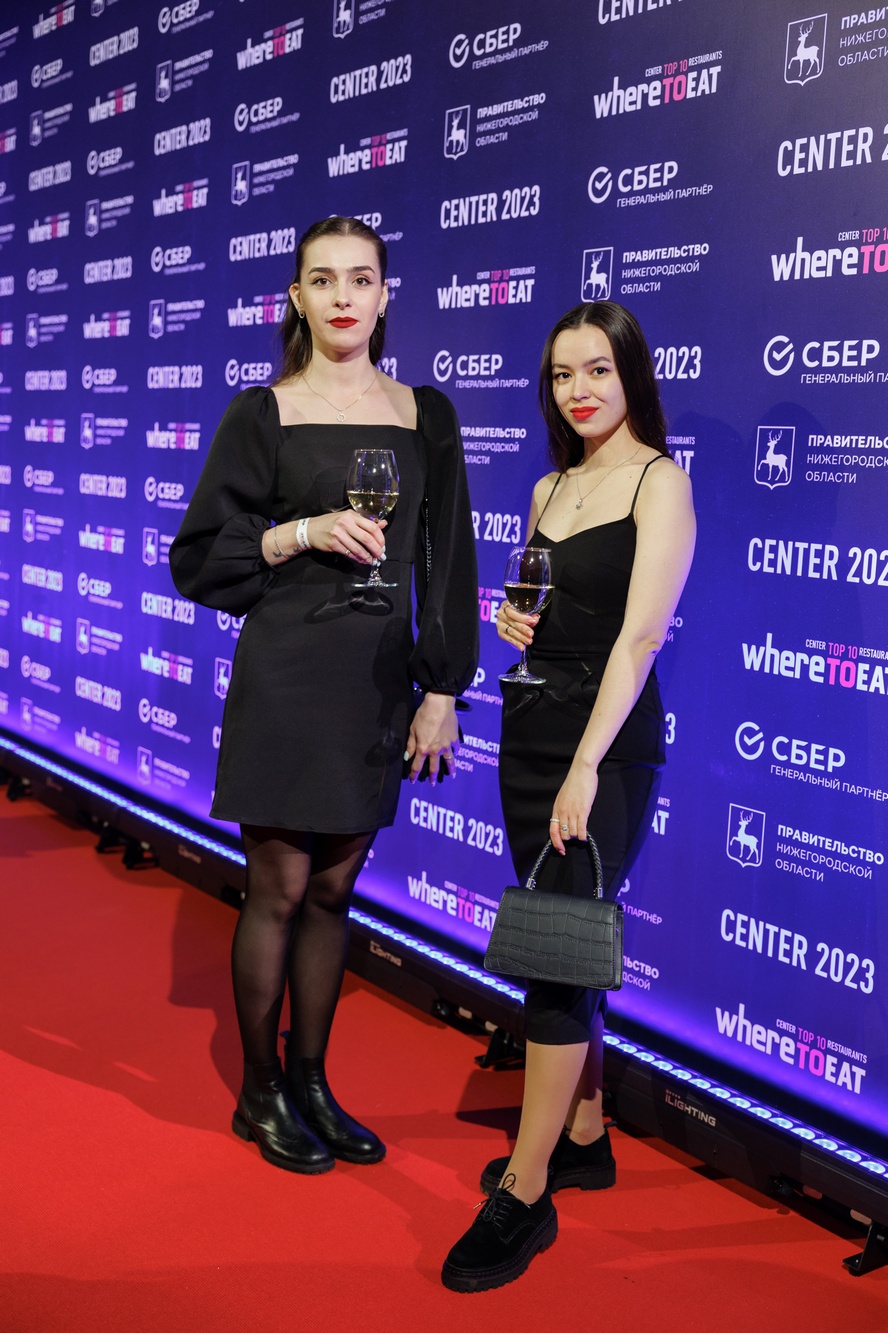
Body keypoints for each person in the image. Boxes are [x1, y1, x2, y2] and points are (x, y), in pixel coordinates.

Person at [170, 216, 478, 1175]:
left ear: (386, 296)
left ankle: (311, 1080)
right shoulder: (262, 412)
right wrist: (299, 531)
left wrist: (442, 686)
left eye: (361, 278)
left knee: (338, 890)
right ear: (297, 298)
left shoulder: (426, 414)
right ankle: (258, 1088)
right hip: (288, 675)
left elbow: (446, 558)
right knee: (280, 887)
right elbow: (197, 556)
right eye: (323, 279)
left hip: (376, 683)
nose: (344, 296)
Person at [442, 301, 695, 1290]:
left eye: (597, 370)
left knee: (552, 957)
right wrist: (514, 623)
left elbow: (639, 638)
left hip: (606, 747)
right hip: (530, 732)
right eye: (561, 374)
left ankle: (526, 1186)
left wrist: (587, 763)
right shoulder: (551, 484)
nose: (578, 390)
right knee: (567, 941)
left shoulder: (659, 481)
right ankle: (585, 1133)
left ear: (631, 374)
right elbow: (545, 608)